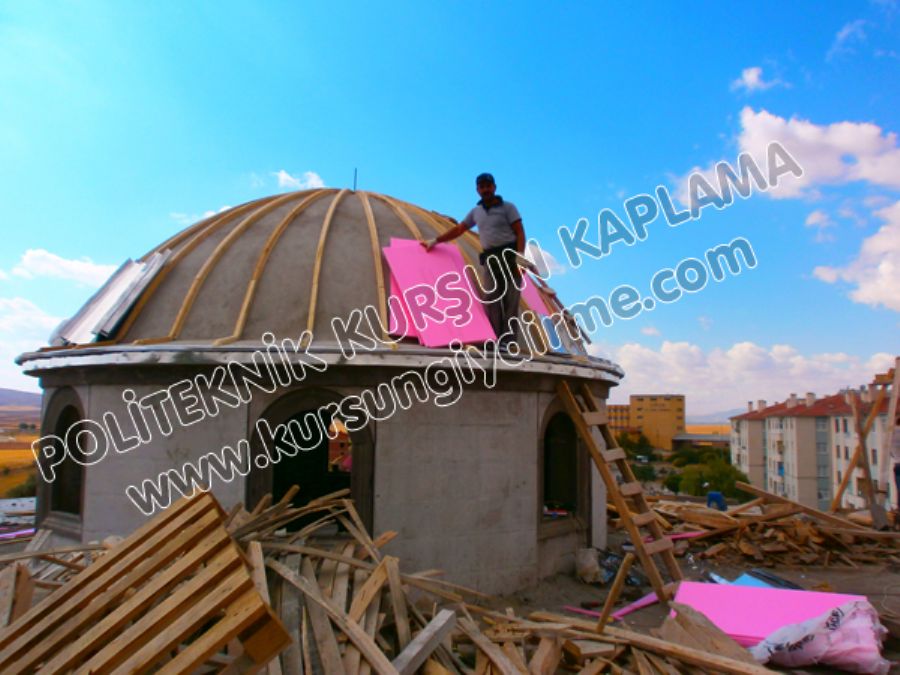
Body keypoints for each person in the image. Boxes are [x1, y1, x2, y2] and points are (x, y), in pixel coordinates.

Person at [421, 173, 526, 348]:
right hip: (491, 259)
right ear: (477, 190)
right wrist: (436, 240)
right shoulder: (476, 212)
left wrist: (520, 258)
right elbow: (459, 229)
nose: (485, 190)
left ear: (494, 187)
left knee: (511, 300)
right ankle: (493, 340)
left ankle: (508, 341)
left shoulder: (508, 208)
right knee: (491, 298)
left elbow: (520, 232)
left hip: (510, 256)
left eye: (488, 186)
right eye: (482, 187)